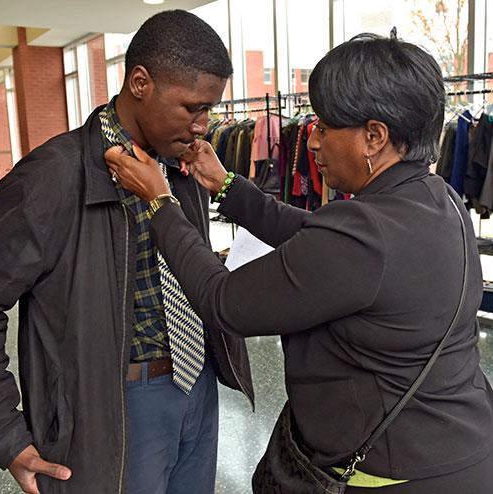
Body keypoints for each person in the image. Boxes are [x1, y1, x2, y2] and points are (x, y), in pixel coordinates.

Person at [106, 33, 493, 493]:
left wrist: (160, 203)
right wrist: (227, 186)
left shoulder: (366, 234)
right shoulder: (435, 199)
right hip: (460, 446)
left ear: (375, 136)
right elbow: (315, 238)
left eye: (325, 129)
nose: (312, 143)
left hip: (397, 471)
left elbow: (223, 301)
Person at [0, 10, 253, 494]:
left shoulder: (183, 165)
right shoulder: (51, 178)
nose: (202, 125)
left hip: (197, 385)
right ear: (141, 82)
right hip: (113, 406)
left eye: (210, 109)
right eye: (192, 107)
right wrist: (4, 433)